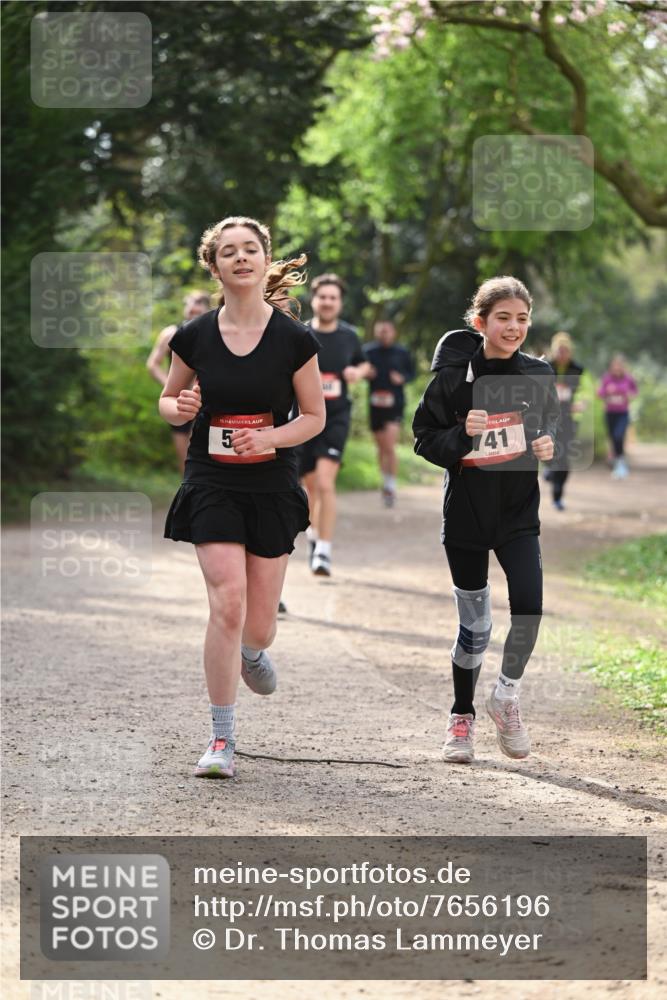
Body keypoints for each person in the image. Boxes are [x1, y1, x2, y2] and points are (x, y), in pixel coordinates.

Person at [160, 216, 324, 779]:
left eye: (249, 249)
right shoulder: (195, 335)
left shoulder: (295, 339)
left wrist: (271, 437)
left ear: (263, 259)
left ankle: (254, 652)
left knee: (257, 625)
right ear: (215, 267)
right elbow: (168, 397)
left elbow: (314, 417)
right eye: (228, 252)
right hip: (211, 477)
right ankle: (221, 739)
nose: (240, 258)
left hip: (272, 482)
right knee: (225, 601)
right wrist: (176, 409)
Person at [413, 276, 559, 764]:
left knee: (531, 607)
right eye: (503, 318)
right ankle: (461, 719)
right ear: (481, 323)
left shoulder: (539, 374)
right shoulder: (453, 378)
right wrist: (460, 435)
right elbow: (423, 436)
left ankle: (506, 696)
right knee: (475, 628)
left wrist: (545, 442)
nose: (514, 327)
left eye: (522, 318)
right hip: (468, 517)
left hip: (518, 513)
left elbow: (550, 424)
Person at [299, 274, 370, 577]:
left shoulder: (349, 336)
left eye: (333, 298)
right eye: (323, 297)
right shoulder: (299, 334)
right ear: (314, 300)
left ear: (339, 303)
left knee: (326, 483)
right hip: (302, 419)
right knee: (310, 487)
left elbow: (365, 363)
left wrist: (357, 371)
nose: (327, 302)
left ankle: (323, 553)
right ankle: (314, 536)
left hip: (336, 417)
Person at [146, 291, 212, 474]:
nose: (193, 310)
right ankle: (188, 496)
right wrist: (171, 388)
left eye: (198, 307)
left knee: (203, 455)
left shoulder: (215, 333)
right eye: (190, 306)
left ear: (206, 309)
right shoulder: (171, 333)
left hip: (207, 402)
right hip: (180, 401)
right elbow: (152, 364)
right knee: (184, 458)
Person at [363, 319, 416, 507]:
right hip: (375, 404)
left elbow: (412, 374)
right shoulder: (368, 352)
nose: (384, 334)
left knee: (389, 446)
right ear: (377, 332)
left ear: (393, 333)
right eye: (381, 331)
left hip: (395, 404)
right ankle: (385, 480)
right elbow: (360, 370)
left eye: (387, 331)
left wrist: (402, 378)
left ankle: (391, 486)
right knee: (381, 447)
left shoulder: (402, 352)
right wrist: (366, 373)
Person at [544, 331, 585, 510]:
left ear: (570, 351)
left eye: (565, 350)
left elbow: (586, 390)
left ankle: (557, 495)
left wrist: (581, 402)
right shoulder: (545, 367)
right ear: (554, 351)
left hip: (569, 418)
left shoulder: (578, 369)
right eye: (559, 350)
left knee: (564, 457)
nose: (562, 354)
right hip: (548, 418)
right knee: (550, 453)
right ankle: (549, 469)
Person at [597, 354, 638, 479]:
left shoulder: (628, 378)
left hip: (623, 413)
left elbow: (634, 392)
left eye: (619, 366)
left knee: (619, 435)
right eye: (615, 366)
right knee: (613, 438)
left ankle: (620, 463)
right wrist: (607, 391)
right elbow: (599, 393)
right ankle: (619, 463)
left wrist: (627, 393)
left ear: (623, 367)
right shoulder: (607, 378)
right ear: (611, 367)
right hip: (610, 412)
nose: (617, 368)